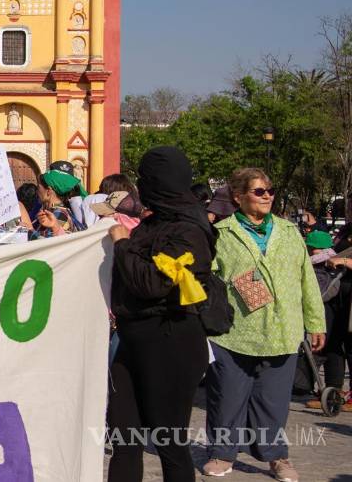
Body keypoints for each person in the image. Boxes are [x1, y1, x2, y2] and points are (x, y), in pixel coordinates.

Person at [203, 167, 326, 481]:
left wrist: (316, 322)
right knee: (227, 397)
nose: (267, 196)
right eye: (259, 191)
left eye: (270, 191)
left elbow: (307, 278)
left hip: (282, 330)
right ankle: (222, 453)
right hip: (234, 332)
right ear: (238, 196)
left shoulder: (288, 231)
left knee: (273, 402)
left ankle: (276, 456)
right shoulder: (221, 233)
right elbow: (208, 278)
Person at [106, 146, 213, 482]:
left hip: (171, 343)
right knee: (124, 439)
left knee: (169, 443)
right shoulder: (152, 223)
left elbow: (151, 283)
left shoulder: (190, 232)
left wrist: (122, 244)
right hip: (132, 343)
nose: (141, 186)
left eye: (146, 179)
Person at [304, 230, 351, 412]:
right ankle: (333, 393)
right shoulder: (345, 231)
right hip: (336, 295)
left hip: (348, 297)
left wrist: (344, 261)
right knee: (332, 344)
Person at [34, 170, 85, 238]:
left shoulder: (60, 214)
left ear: (48, 191)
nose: (37, 191)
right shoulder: (55, 211)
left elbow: (50, 242)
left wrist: (29, 229)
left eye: (38, 187)